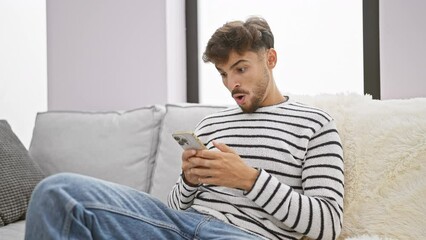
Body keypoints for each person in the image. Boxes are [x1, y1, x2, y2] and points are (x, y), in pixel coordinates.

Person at [25, 17, 344, 240]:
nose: (231, 83)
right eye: (222, 74)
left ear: (270, 59)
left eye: (241, 69)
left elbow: (327, 225)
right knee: (57, 191)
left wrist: (248, 179)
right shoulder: (211, 123)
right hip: (177, 226)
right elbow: (175, 206)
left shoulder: (315, 124)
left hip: (243, 235)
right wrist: (189, 180)